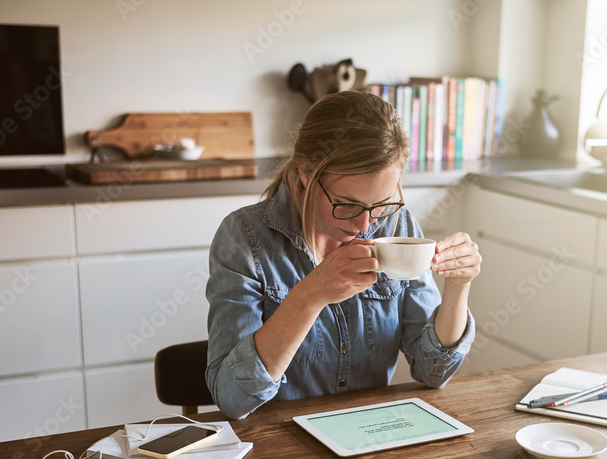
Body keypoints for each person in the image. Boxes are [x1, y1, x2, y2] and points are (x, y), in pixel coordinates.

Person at [205, 90, 482, 419]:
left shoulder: (396, 224)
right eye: (347, 204)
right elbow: (233, 399)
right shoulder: (244, 238)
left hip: (371, 433)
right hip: (277, 445)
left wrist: (458, 286)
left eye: (380, 205)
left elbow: (433, 371)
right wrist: (311, 294)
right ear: (307, 173)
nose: (366, 224)